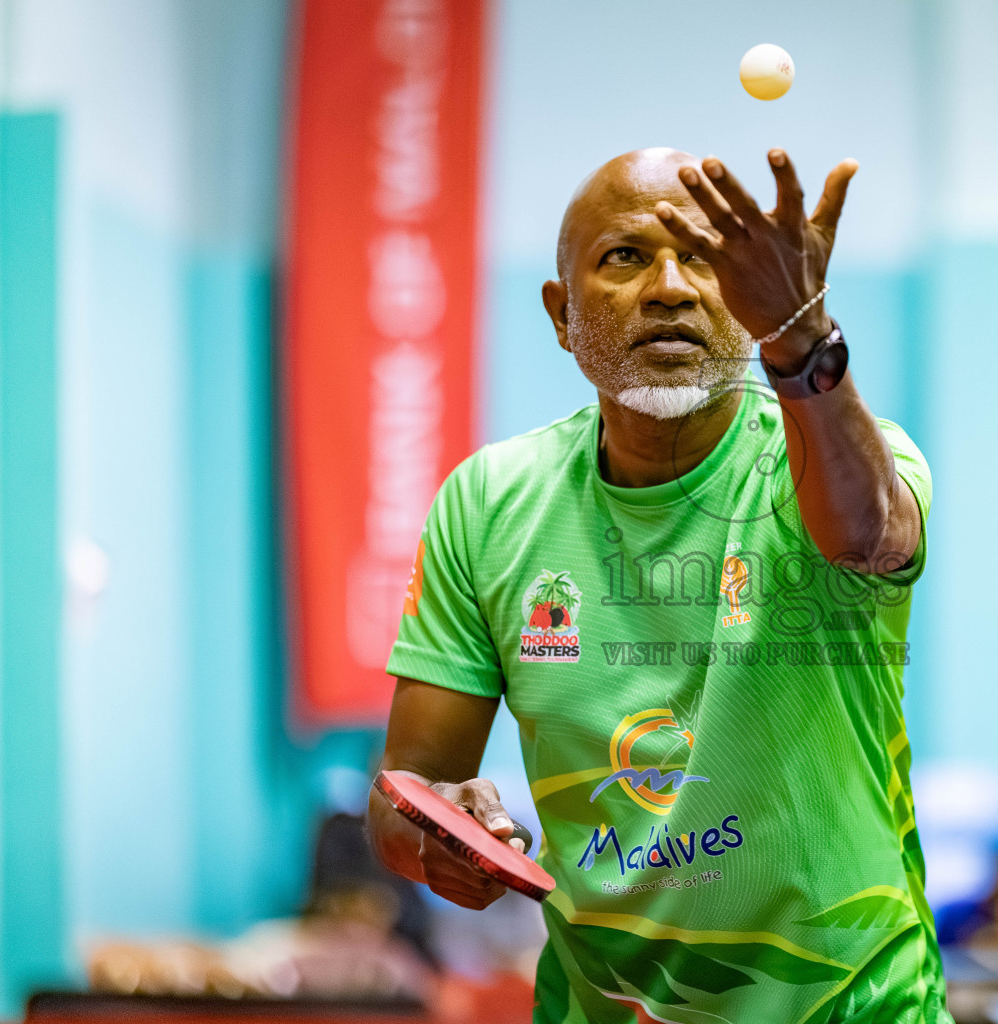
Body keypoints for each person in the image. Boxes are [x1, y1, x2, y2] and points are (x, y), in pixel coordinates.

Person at [366, 147, 943, 1022]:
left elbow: (870, 537)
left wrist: (803, 341)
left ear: (748, 302)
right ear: (562, 315)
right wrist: (437, 837)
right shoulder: (488, 504)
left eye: (704, 257)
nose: (670, 287)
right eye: (625, 256)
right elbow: (404, 795)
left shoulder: (843, 456)